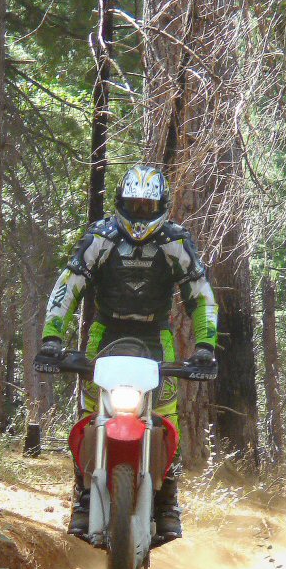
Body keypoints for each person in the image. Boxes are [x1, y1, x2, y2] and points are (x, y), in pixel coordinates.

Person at [36, 164, 218, 540]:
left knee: (167, 416)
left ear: (162, 206)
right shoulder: (100, 238)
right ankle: (84, 496)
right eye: (133, 204)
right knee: (90, 413)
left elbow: (200, 295)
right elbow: (68, 286)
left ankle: (168, 497)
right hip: (105, 332)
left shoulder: (175, 242)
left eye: (147, 206)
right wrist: (52, 339)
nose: (139, 213)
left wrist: (205, 347)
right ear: (120, 203)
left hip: (156, 336)